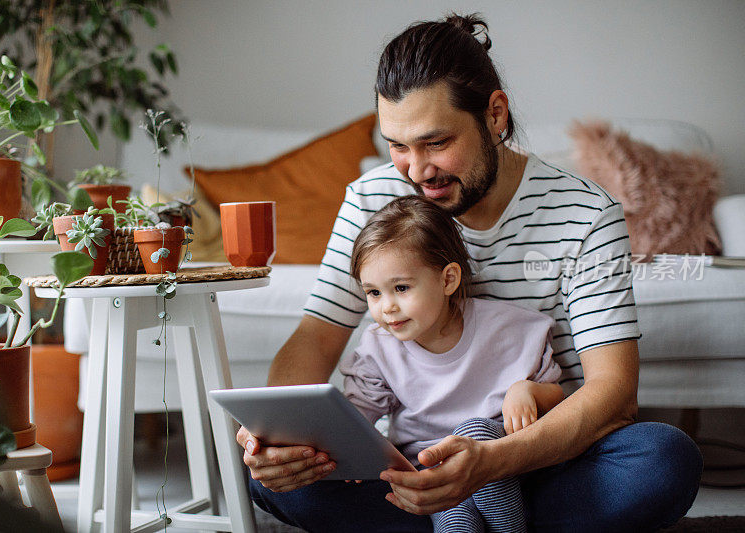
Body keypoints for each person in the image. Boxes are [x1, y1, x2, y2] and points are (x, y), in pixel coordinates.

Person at [239, 12, 703, 532]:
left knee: (663, 460)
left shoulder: (586, 214)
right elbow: (316, 338)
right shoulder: (370, 198)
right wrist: (275, 432)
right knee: (271, 477)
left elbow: (614, 392)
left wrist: (490, 464)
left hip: (544, 460)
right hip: (415, 473)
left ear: (495, 113)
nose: (417, 172)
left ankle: (475, 517)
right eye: (397, 146)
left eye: (436, 143)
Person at [341, 195, 565, 532]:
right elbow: (355, 418)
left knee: (474, 431)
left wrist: (528, 390)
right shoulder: (378, 347)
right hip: (429, 473)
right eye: (373, 293)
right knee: (455, 521)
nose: (386, 307)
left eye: (401, 288)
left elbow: (560, 398)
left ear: (448, 280)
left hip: (503, 466)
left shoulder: (506, 329)